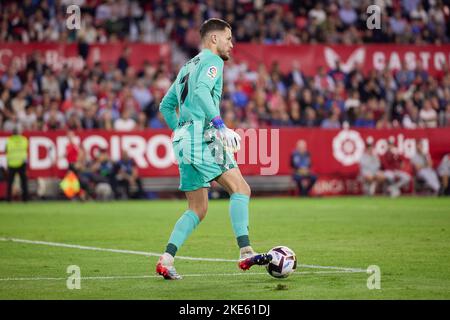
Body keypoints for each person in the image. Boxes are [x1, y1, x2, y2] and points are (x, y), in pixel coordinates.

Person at [156, 18, 271, 280]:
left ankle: (166, 259)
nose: (232, 44)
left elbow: (165, 105)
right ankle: (245, 251)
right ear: (214, 39)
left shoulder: (187, 66)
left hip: (184, 139)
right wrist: (219, 125)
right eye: (229, 38)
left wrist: (181, 131)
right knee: (241, 188)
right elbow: (202, 91)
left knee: (197, 208)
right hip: (203, 135)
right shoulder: (213, 61)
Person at [6, 126, 28, 202]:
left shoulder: (9, 140)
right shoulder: (24, 140)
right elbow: (25, 148)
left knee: (10, 183)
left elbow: (6, 150)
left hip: (11, 163)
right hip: (21, 163)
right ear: (19, 132)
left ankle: (8, 199)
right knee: (24, 182)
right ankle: (25, 199)